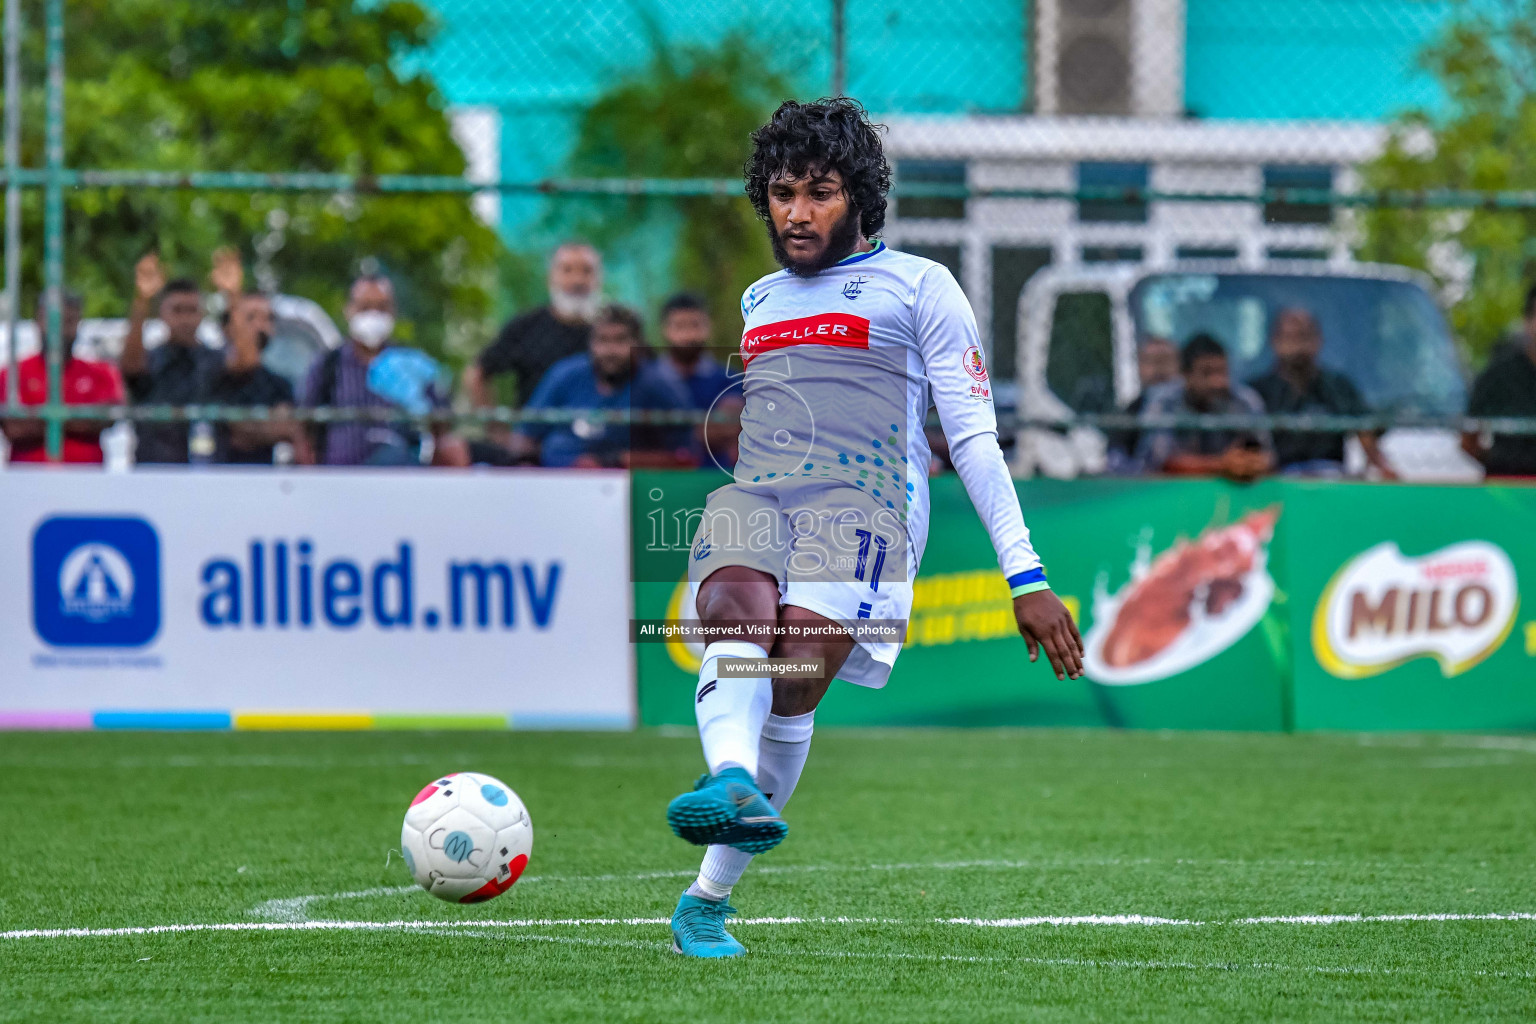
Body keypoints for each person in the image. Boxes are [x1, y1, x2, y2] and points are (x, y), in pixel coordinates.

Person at [662, 98, 1081, 959]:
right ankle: (731, 779)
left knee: (793, 687)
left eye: (818, 191)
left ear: (859, 197)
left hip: (865, 513)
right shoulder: (759, 298)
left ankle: (705, 899)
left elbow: (970, 436)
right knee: (734, 610)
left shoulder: (922, 286)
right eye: (781, 193)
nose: (797, 212)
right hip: (760, 497)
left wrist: (1026, 576)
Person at [300, 273, 469, 467]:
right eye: (365, 307)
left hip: (401, 480)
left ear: (393, 311)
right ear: (348, 310)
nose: (373, 316)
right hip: (341, 481)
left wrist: (421, 405)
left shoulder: (412, 365)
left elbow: (443, 426)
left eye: (381, 308)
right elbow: (305, 427)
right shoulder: (328, 365)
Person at [510, 303, 690, 468]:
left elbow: (684, 456)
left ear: (638, 344)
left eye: (620, 340)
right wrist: (526, 466)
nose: (610, 350)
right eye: (602, 340)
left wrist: (612, 462)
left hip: (629, 488)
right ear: (591, 343)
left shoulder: (660, 385)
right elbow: (525, 435)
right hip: (556, 483)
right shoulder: (564, 375)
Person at [1246, 308, 1395, 478]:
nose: (1298, 346)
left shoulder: (1338, 386)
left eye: (1304, 336)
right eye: (1290, 337)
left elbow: (1365, 433)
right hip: (1275, 482)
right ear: (1275, 341)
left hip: (1332, 481)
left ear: (1318, 340)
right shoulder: (1256, 391)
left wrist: (1383, 469)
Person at [464, 242, 602, 412]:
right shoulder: (526, 326)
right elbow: (477, 373)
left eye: (587, 271)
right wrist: (496, 429)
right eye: (567, 270)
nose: (577, 280)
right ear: (550, 278)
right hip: (535, 435)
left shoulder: (613, 330)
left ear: (598, 278)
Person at [119, 252, 226, 463]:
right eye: (177, 310)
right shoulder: (151, 360)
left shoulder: (214, 361)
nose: (185, 319)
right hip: (155, 470)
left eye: (192, 310)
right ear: (162, 313)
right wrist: (142, 300)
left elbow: (246, 365)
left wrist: (233, 294)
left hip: (207, 472)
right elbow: (129, 368)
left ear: (202, 314)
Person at [1, 293, 123, 464]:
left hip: (87, 481)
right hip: (28, 480)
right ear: (38, 321)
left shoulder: (101, 372)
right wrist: (76, 417)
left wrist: (41, 416)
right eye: (53, 321)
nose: (60, 330)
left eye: (69, 321)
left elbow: (106, 418)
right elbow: (14, 428)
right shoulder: (12, 373)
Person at [1136, 333, 1273, 483]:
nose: (1217, 382)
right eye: (1207, 373)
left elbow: (1268, 457)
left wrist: (1251, 464)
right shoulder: (1164, 401)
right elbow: (1159, 461)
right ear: (1186, 375)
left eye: (1222, 372)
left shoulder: (1245, 401)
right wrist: (1222, 465)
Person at [196, 291, 311, 464]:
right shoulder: (211, 372)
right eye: (250, 317)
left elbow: (291, 429)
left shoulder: (279, 383)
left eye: (267, 318)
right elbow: (238, 434)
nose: (260, 325)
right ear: (227, 327)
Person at [650, 292, 743, 467]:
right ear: (665, 329)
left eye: (695, 325)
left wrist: (666, 430)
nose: (688, 335)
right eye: (679, 326)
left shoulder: (729, 378)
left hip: (714, 479)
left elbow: (727, 428)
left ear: (709, 327)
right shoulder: (646, 378)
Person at [1463, 283, 1536, 477]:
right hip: (1507, 489)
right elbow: (1467, 440)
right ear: (1527, 321)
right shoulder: (1497, 376)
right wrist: (1500, 467)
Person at [1105, 335, 1179, 469]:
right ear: (1139, 366)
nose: (1159, 369)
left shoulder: (1195, 408)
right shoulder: (1127, 415)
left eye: (1165, 361)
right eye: (1151, 362)